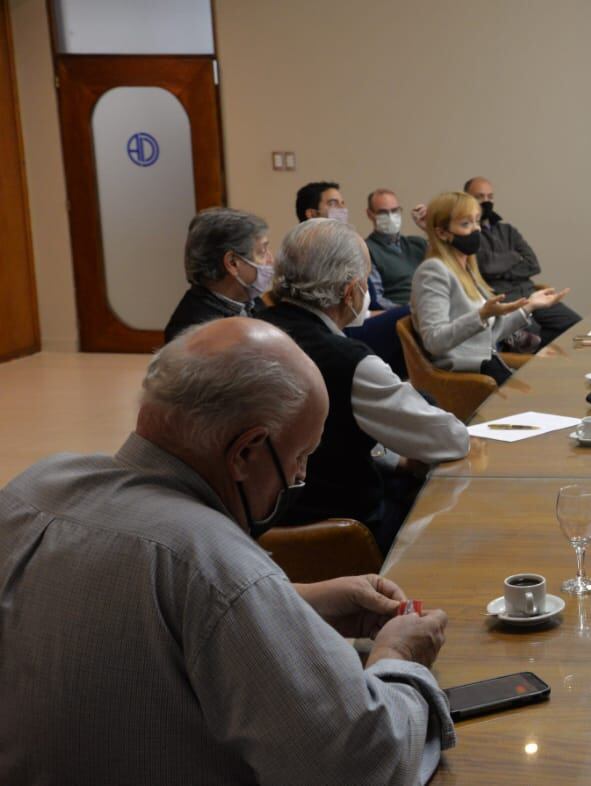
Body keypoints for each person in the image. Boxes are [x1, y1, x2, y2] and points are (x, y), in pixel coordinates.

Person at [0, 317, 454, 784]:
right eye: (300, 457)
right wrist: (399, 657)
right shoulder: (215, 562)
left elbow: (114, 614)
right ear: (244, 453)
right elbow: (363, 764)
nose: (299, 477)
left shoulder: (32, 489)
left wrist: (290, 603)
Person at [260, 219, 470, 552]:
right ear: (350, 291)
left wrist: (390, 457)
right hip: (344, 534)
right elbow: (450, 439)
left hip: (259, 527)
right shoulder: (352, 363)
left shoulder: (250, 332)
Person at [410, 192, 569, 384]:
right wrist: (481, 314)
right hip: (465, 375)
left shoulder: (468, 270)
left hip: (488, 363)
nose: (476, 229)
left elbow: (491, 335)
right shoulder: (433, 271)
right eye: (465, 224)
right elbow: (434, 341)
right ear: (442, 233)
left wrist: (530, 305)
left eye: (476, 221)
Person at [296, 181, 410, 377]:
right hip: (342, 329)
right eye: (333, 203)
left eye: (342, 203)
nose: (341, 208)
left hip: (361, 317)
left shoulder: (341, 245)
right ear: (312, 214)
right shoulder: (310, 251)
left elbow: (370, 304)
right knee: (413, 313)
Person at [464, 176, 581, 345]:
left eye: (490, 197)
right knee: (533, 339)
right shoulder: (468, 234)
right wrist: (514, 257)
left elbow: (533, 264)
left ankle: (536, 348)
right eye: (479, 197)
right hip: (505, 300)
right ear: (467, 199)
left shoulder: (508, 230)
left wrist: (501, 271)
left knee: (576, 326)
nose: (486, 201)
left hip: (530, 293)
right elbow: (486, 266)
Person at [163, 207, 272, 342]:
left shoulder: (252, 302)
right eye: (262, 252)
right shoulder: (196, 335)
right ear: (232, 263)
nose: (270, 260)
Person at [365, 188, 428, 307]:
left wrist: (429, 229)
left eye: (395, 211)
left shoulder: (418, 244)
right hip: (402, 312)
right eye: (383, 212)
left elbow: (450, 267)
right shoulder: (367, 250)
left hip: (432, 305)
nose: (390, 216)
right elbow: (377, 300)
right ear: (370, 214)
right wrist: (408, 311)